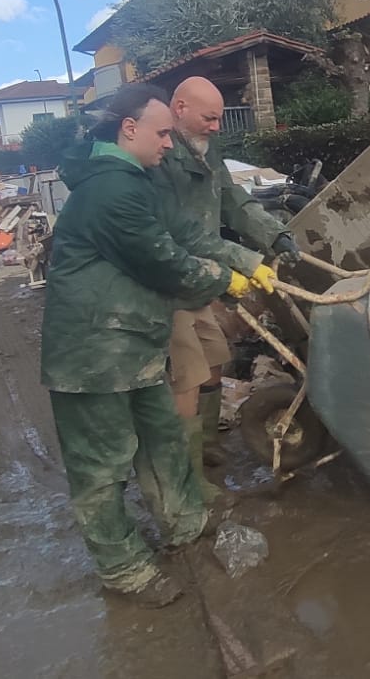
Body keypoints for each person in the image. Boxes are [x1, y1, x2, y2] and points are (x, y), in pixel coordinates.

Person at [39, 83, 277, 607]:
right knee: (102, 466)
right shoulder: (109, 191)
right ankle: (122, 567)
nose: (169, 144)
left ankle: (183, 523)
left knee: (164, 439)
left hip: (136, 343)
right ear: (130, 130)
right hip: (92, 355)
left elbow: (187, 233)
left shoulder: (136, 181)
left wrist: (247, 261)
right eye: (162, 132)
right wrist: (224, 282)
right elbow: (166, 260)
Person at [152, 76, 302, 497]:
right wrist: (245, 262)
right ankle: (187, 475)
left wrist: (275, 234)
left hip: (202, 279)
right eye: (209, 118)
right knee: (187, 377)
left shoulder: (205, 152)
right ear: (179, 108)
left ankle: (208, 444)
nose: (217, 126)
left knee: (216, 361)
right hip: (173, 280)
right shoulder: (162, 158)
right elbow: (184, 233)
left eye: (219, 118)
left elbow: (234, 202)